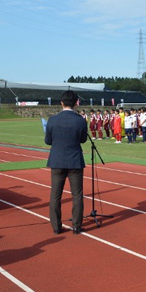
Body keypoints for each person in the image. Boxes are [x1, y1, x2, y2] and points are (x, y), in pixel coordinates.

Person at [45, 90, 88, 235]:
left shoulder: (52, 120)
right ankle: (76, 226)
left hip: (57, 160)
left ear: (61, 102)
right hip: (75, 160)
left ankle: (56, 226)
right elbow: (83, 139)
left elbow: (48, 141)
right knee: (77, 195)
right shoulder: (80, 120)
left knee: (55, 195)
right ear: (76, 103)